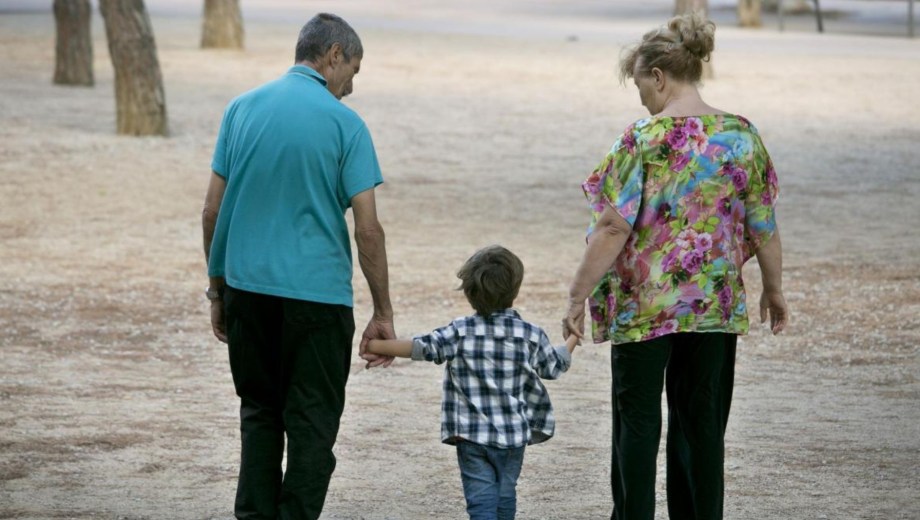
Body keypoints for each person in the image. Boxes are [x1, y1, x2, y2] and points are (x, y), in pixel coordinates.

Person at [562, 13, 789, 520]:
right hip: (713, 307)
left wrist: (577, 294)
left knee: (637, 424)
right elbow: (764, 226)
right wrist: (774, 289)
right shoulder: (741, 136)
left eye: (640, 84)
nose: (640, 95)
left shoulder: (641, 139)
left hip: (643, 309)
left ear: (659, 77)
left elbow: (612, 227)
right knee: (701, 425)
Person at [201, 13, 395, 520]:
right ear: (333, 56)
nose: (351, 86)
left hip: (246, 289)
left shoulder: (241, 109)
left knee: (260, 415)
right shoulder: (346, 125)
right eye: (353, 70)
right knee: (312, 426)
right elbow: (368, 229)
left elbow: (211, 211)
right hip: (318, 299)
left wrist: (217, 291)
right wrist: (383, 311)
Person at [368, 245, 578, 520]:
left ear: (468, 293)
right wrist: (573, 337)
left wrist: (376, 343)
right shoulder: (530, 335)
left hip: (471, 435)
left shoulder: (460, 331)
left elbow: (421, 348)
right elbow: (553, 366)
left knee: (481, 501)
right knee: (505, 495)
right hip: (513, 436)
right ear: (514, 291)